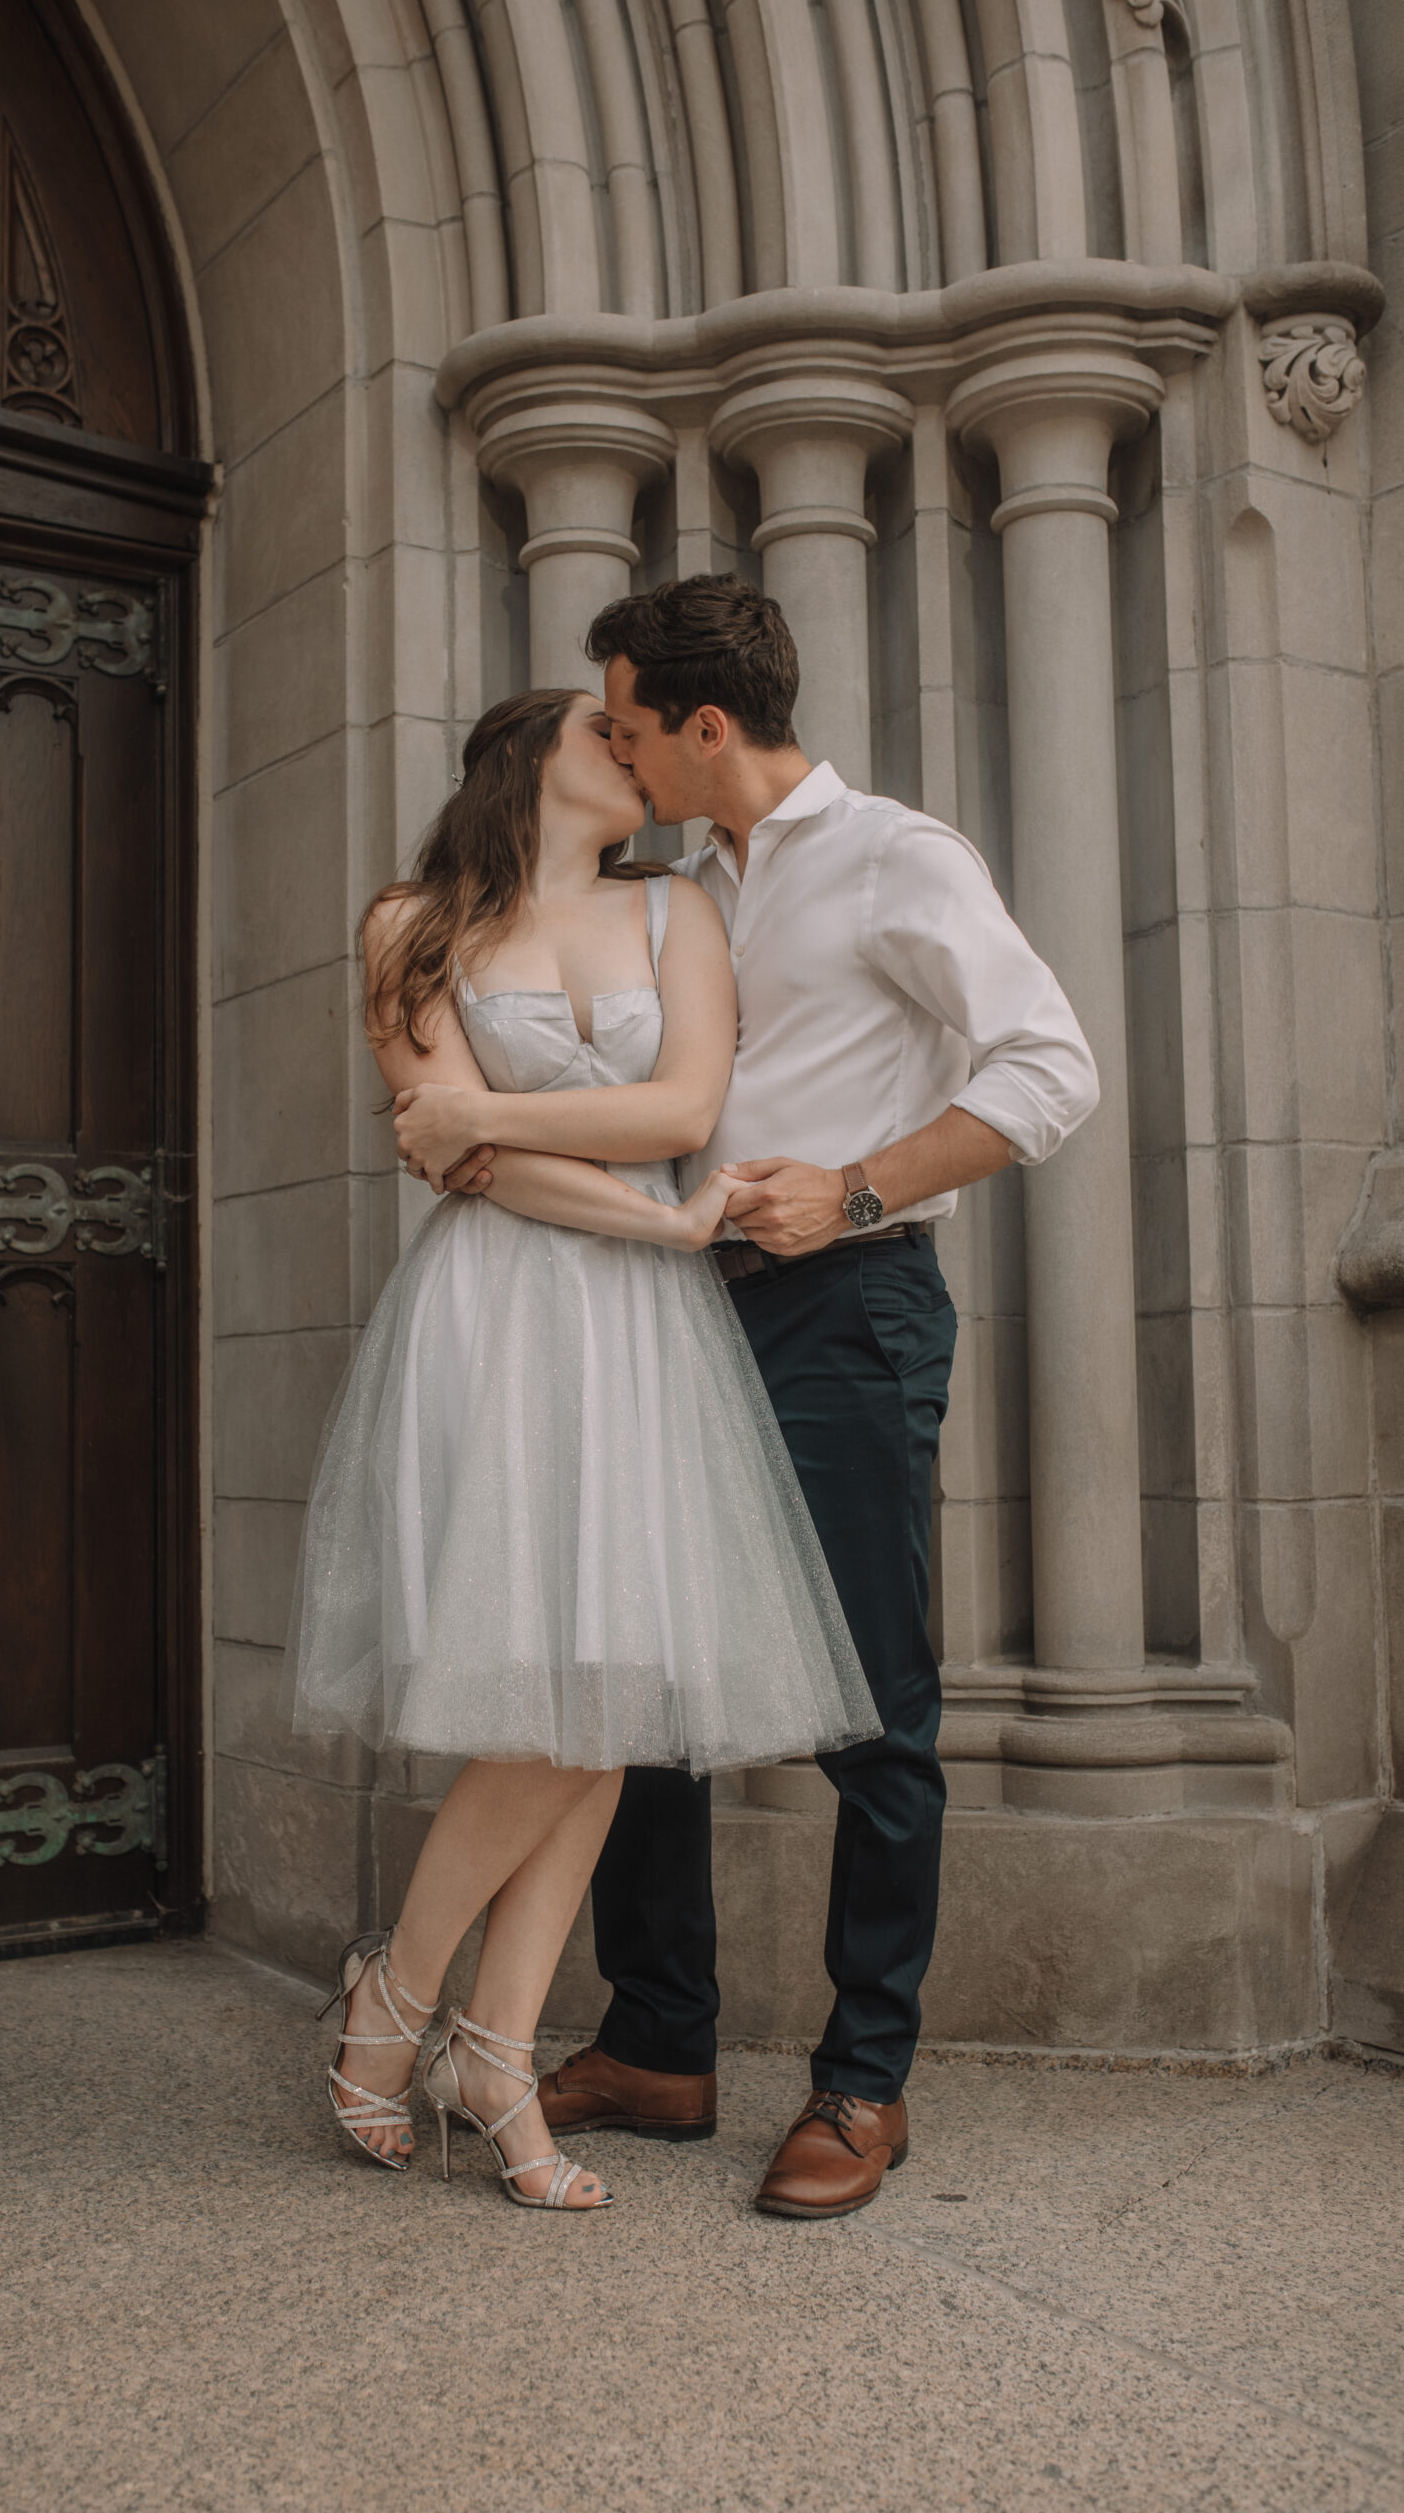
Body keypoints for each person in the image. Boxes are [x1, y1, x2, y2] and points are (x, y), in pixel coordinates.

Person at [399, 576, 1099, 2222]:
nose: (616, 750)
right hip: (663, 1306)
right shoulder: (673, 881)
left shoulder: (901, 861)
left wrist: (856, 1192)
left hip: (850, 1305)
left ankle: (864, 2081)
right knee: (641, 1691)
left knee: (874, 1705)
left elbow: (1050, 1069)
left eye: (630, 724)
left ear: (705, 726)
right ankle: (658, 2041)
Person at [285, 685, 880, 2213]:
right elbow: (470, 1174)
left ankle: (479, 2040)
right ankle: (409, 2004)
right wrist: (650, 1208)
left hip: (640, 1329)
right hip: (499, 1318)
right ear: (525, 758)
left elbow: (676, 1102)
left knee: (606, 1693)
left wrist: (496, 1118)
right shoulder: (405, 923)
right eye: (601, 736)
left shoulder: (677, 909)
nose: (632, 755)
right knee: (544, 1696)